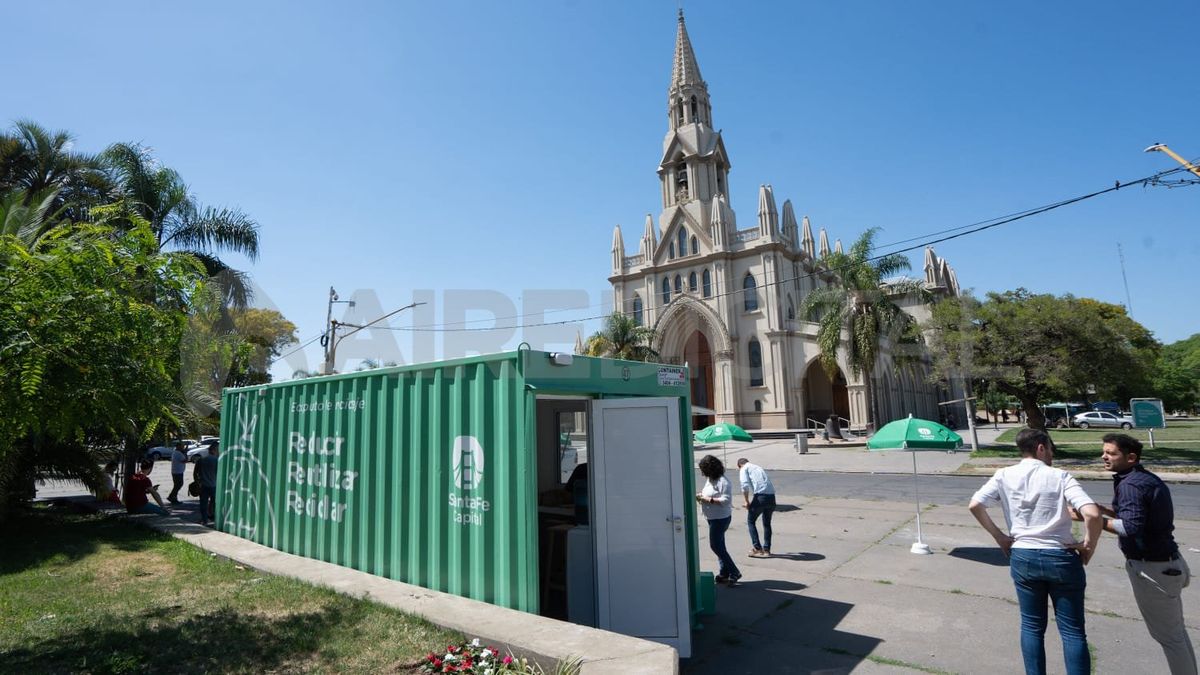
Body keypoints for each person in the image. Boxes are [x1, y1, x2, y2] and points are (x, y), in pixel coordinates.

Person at [968, 427, 1102, 675]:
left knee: (1031, 626)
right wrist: (1087, 545)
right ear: (1041, 447)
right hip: (1060, 556)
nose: (1052, 454)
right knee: (1072, 631)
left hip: (1023, 555)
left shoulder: (1003, 475)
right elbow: (1092, 513)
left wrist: (1000, 537)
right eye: (1051, 449)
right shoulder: (1059, 476)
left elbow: (975, 504)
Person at [1097, 433, 1195, 674]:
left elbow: (1130, 527)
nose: (1104, 456)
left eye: (1111, 453)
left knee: (1171, 639)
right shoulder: (1142, 478)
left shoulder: (1130, 484)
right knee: (1176, 633)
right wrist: (1105, 511)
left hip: (1153, 569)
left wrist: (1093, 520)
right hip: (1168, 565)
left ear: (1131, 457)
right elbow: (1140, 517)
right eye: (1104, 451)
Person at [696, 455, 741, 586]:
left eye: (703, 469)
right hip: (712, 518)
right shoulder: (710, 479)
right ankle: (724, 573)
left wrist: (707, 500)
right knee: (720, 546)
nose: (702, 473)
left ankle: (734, 572)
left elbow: (726, 501)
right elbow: (709, 493)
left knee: (715, 546)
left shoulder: (723, 481)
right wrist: (701, 496)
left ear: (710, 469)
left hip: (720, 519)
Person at [737, 458, 776, 557]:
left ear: (739, 465)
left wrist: (746, 501)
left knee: (751, 521)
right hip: (771, 496)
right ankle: (767, 550)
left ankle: (757, 548)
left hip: (760, 497)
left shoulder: (744, 468)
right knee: (767, 523)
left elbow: (744, 485)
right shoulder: (758, 467)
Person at [195, 441, 220, 526]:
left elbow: (195, 473)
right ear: (214, 450)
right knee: (215, 503)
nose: (218, 452)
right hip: (214, 485)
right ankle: (215, 519)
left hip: (203, 485)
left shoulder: (201, 460)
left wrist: (197, 482)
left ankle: (205, 520)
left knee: (203, 504)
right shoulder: (217, 461)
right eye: (218, 450)